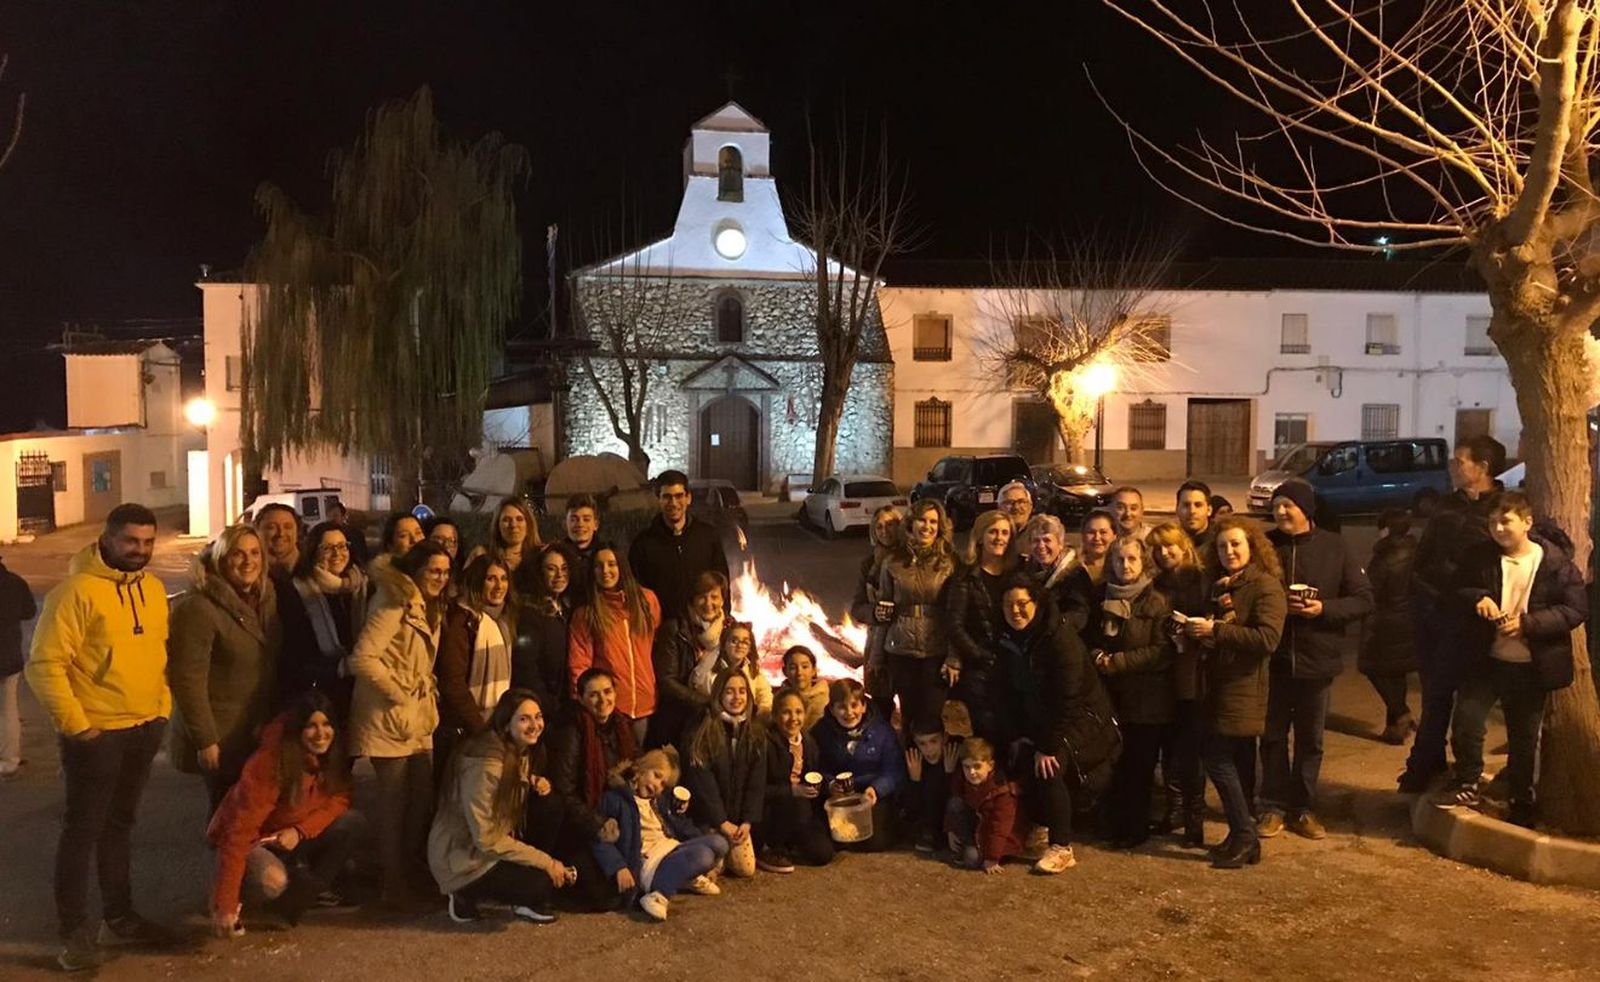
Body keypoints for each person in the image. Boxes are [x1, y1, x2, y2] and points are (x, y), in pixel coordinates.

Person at [26, 503, 178, 970]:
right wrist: (79, 726)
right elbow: (45, 665)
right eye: (131, 541)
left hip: (143, 726)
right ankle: (73, 933)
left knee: (119, 828)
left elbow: (156, 651)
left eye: (148, 542)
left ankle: (119, 916)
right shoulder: (75, 593)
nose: (141, 550)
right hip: (96, 734)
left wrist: (161, 706)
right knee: (82, 832)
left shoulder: (152, 590)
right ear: (107, 540)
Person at [1444, 493, 1587, 828]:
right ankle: (1468, 779)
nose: (1498, 529)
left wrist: (1528, 624)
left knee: (1523, 737)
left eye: (1506, 521)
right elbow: (1456, 588)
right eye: (1492, 522)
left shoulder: (1555, 564)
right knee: (1466, 719)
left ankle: (1521, 799)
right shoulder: (1480, 556)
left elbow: (1575, 609)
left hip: (1531, 665)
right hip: (1486, 658)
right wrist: (1478, 598)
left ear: (1527, 522)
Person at [1257, 480, 1373, 842]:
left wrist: (1323, 609)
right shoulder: (1266, 547)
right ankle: (1272, 806)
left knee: (1311, 740)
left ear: (1307, 509)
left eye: (1288, 505)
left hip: (1317, 660)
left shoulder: (1334, 547)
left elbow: (1363, 599)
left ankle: (1302, 808)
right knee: (1272, 736)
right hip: (1272, 659)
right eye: (1276, 506)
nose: (1280, 512)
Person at [989, 576, 1120, 875]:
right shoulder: (1007, 638)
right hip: (1040, 716)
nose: (1016, 611)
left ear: (1037, 603)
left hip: (1082, 718)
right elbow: (1006, 690)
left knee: (1049, 766)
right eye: (1009, 605)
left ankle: (1062, 847)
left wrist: (1048, 745)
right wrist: (1016, 734)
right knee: (1022, 756)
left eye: (1023, 604)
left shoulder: (1059, 637)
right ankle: (1041, 823)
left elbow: (1069, 695)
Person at [1399, 434, 1506, 793]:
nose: (1453, 468)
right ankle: (1424, 764)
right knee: (1435, 697)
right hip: (1435, 616)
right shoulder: (1446, 506)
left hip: (1477, 620)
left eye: (1460, 461)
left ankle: (1467, 774)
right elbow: (1423, 558)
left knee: (1470, 707)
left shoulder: (1503, 511)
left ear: (1483, 467)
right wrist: (1419, 598)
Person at [206, 692, 363, 937]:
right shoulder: (269, 763)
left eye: (326, 724)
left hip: (292, 833)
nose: (321, 734)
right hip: (255, 841)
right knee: (272, 881)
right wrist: (225, 904)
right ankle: (232, 897)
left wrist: (300, 832)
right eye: (311, 726)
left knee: (352, 823)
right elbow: (238, 833)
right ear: (296, 729)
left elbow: (340, 799)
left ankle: (295, 901)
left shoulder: (331, 755)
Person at [1180, 516, 1287, 869]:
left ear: (1252, 547)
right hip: (1217, 684)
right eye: (1223, 546)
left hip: (1243, 686)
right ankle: (1243, 837)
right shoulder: (1221, 586)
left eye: (1236, 544)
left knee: (1217, 759)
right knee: (1234, 764)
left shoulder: (1266, 587)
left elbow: (1266, 639)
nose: (1229, 551)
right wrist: (1194, 631)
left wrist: (1216, 630)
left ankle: (1244, 833)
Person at [348, 539, 450, 908]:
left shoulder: (427, 604)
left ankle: (410, 873)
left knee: (419, 801)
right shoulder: (393, 602)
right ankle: (393, 885)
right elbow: (362, 658)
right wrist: (399, 690)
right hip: (389, 718)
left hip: (418, 717)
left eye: (444, 571)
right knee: (394, 806)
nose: (440, 577)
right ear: (416, 571)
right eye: (433, 570)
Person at [430, 688, 575, 924]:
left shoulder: (517, 750)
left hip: (490, 844)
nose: (535, 725)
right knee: (542, 883)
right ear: (506, 724)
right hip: (462, 857)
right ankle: (462, 892)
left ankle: (519, 891)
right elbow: (486, 838)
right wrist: (545, 861)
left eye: (538, 717)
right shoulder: (485, 765)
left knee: (551, 805)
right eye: (524, 719)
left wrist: (530, 782)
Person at [168, 525, 283, 810]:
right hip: (223, 735)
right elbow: (187, 680)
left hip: (256, 730)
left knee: (253, 814)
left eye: (255, 553)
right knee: (228, 817)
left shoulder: (266, 599)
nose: (248, 561)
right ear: (221, 559)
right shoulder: (199, 608)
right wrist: (206, 740)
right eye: (238, 554)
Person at [1088, 535, 1175, 850]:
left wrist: (1119, 662)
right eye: (1120, 559)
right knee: (1115, 765)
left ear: (1143, 562)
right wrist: (1098, 654)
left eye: (1132, 559)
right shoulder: (1102, 597)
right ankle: (1114, 824)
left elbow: (1162, 652)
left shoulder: (1156, 601)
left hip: (1147, 700)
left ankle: (1136, 828)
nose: (1126, 565)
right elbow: (1090, 636)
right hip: (1112, 698)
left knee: (1139, 768)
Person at [594, 747, 729, 922]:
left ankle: (685, 876)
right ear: (640, 769)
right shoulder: (616, 799)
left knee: (720, 843)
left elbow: (680, 828)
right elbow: (600, 839)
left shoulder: (658, 802)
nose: (658, 786)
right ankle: (658, 895)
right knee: (704, 855)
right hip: (649, 861)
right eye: (656, 776)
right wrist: (618, 866)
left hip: (670, 848)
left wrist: (681, 817)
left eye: (663, 784)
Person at [548, 668, 638, 912]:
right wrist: (598, 825)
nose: (602, 700)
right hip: (582, 823)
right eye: (593, 695)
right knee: (602, 895)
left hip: (614, 816)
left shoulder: (622, 726)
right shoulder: (572, 730)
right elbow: (565, 791)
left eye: (607, 692)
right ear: (581, 698)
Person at [1149, 522, 1210, 846]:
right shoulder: (1156, 583)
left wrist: (1191, 630)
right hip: (1164, 675)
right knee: (1169, 748)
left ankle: (1193, 820)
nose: (1163, 553)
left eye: (1169, 545)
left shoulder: (1200, 580)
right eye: (1157, 548)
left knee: (1190, 752)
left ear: (1183, 545)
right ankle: (1173, 810)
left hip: (1192, 676)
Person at [875, 498, 959, 732]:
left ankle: (935, 768)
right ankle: (910, 766)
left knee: (932, 719)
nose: (927, 526)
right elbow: (884, 611)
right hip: (900, 650)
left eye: (933, 521)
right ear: (911, 523)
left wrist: (954, 657)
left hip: (936, 650)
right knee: (909, 717)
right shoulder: (893, 562)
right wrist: (876, 657)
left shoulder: (949, 562)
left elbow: (956, 614)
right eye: (922, 520)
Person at [568, 546, 661, 744]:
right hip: (609, 709)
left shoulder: (647, 601)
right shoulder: (586, 614)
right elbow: (579, 664)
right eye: (598, 566)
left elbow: (657, 644)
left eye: (612, 564)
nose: (606, 571)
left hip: (646, 705)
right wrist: (584, 705)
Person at [681, 668, 767, 878]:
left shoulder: (755, 732)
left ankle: (727, 850)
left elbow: (756, 782)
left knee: (745, 870)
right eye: (729, 691)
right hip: (710, 819)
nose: (737, 697)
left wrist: (747, 821)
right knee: (712, 867)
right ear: (718, 694)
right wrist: (721, 822)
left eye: (742, 691)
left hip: (738, 819)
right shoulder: (703, 729)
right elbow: (703, 784)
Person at [434, 556, 515, 777]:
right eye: (491, 579)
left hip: (494, 726)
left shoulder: (502, 619)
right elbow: (453, 683)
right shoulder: (462, 621)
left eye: (504, 579)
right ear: (477, 581)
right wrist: (480, 728)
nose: (499, 586)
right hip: (464, 729)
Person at [278, 521, 368, 717]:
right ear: (313, 551)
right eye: (327, 548)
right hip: (322, 696)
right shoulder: (298, 591)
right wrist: (342, 667)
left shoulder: (364, 586)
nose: (337, 554)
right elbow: (295, 653)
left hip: (363, 689)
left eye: (342, 546)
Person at [811, 679, 906, 852]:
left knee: (874, 841)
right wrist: (830, 784)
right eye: (841, 707)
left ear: (863, 706)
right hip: (838, 798)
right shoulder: (821, 733)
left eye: (854, 705)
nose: (849, 713)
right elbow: (816, 766)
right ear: (832, 709)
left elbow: (893, 769)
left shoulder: (882, 731)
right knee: (835, 840)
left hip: (870, 794)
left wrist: (876, 789)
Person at [946, 509, 1015, 741]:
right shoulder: (966, 576)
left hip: (1013, 661)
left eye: (1005, 532)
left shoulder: (1016, 573)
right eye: (993, 531)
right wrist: (980, 655)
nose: (1000, 538)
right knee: (986, 729)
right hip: (979, 666)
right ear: (980, 537)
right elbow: (955, 624)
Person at [629, 470, 730, 624]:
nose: (673, 503)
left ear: (688, 498)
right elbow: (637, 592)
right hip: (662, 631)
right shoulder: (643, 544)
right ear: (659, 499)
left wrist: (725, 620)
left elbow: (722, 582)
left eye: (678, 496)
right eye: (667, 497)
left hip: (703, 628)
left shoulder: (708, 536)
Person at [759, 689, 835, 872]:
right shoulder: (765, 744)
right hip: (772, 810)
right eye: (786, 712)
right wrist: (791, 790)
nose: (793, 718)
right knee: (798, 805)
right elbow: (757, 789)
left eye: (798, 712)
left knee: (823, 854)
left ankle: (793, 843)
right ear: (776, 716)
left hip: (802, 811)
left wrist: (830, 786)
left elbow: (815, 774)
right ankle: (771, 848)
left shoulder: (808, 743)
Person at [1361, 510, 1420, 744]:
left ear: (1385, 529)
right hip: (1410, 618)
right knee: (1396, 672)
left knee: (1372, 667)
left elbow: (1372, 589)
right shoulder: (1416, 551)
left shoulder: (1385, 555)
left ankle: (1401, 712)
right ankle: (1394, 728)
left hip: (1386, 621)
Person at [649, 571, 725, 748]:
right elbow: (667, 681)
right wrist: (707, 703)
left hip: (719, 715)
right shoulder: (674, 629)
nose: (709, 603)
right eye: (702, 597)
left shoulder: (729, 628)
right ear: (692, 600)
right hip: (680, 718)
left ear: (722, 600)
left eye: (714, 597)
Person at [944, 737, 1027, 873]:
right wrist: (950, 829)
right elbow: (955, 799)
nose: (971, 772)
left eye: (977, 766)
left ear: (990, 766)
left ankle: (973, 850)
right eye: (967, 767)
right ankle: (969, 845)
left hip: (999, 838)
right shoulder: (962, 779)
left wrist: (992, 858)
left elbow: (1000, 827)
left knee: (971, 859)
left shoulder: (1002, 792)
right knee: (954, 803)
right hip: (978, 827)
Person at [512, 543, 577, 713]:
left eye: (564, 568)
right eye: (551, 569)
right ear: (539, 573)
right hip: (544, 707)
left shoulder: (565, 608)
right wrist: (549, 705)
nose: (559, 575)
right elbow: (526, 667)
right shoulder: (530, 613)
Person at [851, 504, 904, 708]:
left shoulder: (909, 559)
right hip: (877, 643)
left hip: (903, 640)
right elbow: (857, 607)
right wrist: (873, 613)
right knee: (881, 704)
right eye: (879, 527)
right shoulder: (869, 564)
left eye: (890, 525)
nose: (885, 531)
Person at [0, 551, 37, 780]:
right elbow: (29, 611)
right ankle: (9, 759)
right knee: (8, 709)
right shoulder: (15, 582)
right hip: (9, 655)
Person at [1057, 509, 1117, 633]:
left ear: (1114, 535)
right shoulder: (1068, 570)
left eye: (1103, 532)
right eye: (1091, 532)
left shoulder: (1121, 569)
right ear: (1083, 536)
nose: (1097, 537)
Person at [902, 717, 956, 853]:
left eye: (933, 741)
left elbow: (955, 799)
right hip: (926, 819)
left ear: (944, 738)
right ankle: (929, 835)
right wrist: (915, 781)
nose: (929, 749)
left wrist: (949, 774)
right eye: (922, 743)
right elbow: (911, 809)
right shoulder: (914, 759)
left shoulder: (953, 754)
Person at [697, 619, 772, 717]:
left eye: (745, 642)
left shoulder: (752, 671)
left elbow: (765, 694)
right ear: (724, 644)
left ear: (750, 648)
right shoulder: (710, 673)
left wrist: (762, 711)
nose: (740, 645)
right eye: (734, 641)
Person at [1023, 513, 1078, 611]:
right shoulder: (1025, 572)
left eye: (1047, 540)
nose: (1041, 546)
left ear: (1060, 544)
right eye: (1036, 541)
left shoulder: (1075, 575)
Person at [560, 493, 608, 600]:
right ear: (565, 524)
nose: (580, 524)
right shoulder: (557, 555)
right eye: (574, 519)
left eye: (586, 519)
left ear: (596, 524)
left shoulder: (608, 553)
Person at [775, 645, 830, 729]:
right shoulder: (778, 699)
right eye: (793, 668)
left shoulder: (827, 698)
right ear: (785, 671)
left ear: (814, 670)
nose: (799, 673)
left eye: (805, 667)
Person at [253, 503, 302, 586]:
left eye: (288, 527)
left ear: (297, 532)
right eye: (271, 527)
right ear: (257, 531)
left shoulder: (314, 570)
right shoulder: (249, 573)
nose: (281, 533)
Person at [326, 499, 371, 568]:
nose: (332, 519)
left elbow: (361, 557)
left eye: (335, 515)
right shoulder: (324, 534)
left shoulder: (355, 534)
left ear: (343, 517)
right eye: (329, 516)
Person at [1176, 480, 1215, 557]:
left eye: (1198, 505)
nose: (1192, 511)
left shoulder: (1220, 542)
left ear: (1209, 510)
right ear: (1177, 509)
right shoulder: (1168, 542)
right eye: (1186, 505)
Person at [998, 481, 1034, 558]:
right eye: (1009, 502)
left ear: (1030, 507)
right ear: (999, 508)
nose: (1016, 507)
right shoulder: (993, 535)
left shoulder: (1039, 534)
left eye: (1021, 502)